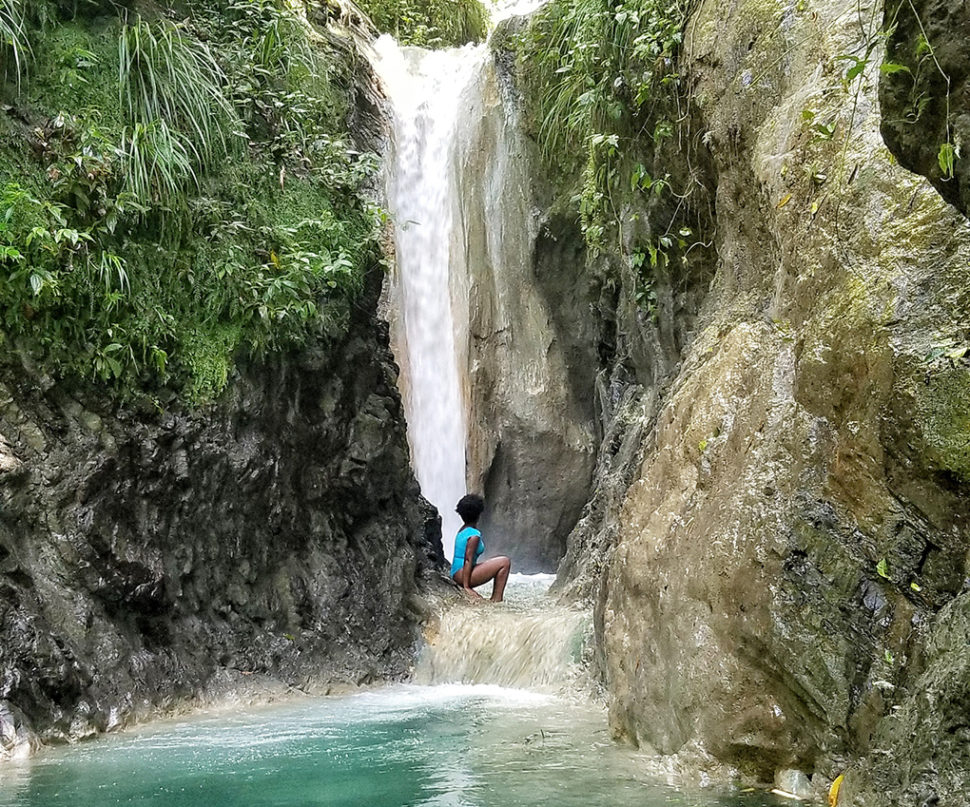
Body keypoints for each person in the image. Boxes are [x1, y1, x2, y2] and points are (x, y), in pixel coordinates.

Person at [450, 494, 511, 603]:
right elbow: (468, 560)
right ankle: (496, 600)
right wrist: (466, 587)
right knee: (504, 562)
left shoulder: (463, 529)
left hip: (456, 572)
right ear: (479, 514)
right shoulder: (474, 536)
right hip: (461, 574)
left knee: (499, 561)